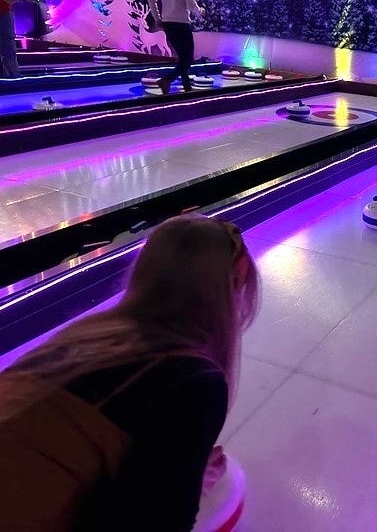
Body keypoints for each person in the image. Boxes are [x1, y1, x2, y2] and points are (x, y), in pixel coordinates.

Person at [0, 214, 260, 531]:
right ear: (230, 289)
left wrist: (174, 467)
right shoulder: (195, 381)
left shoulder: (85, 335)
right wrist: (182, 478)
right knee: (225, 483)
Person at [147, 0, 205, 95]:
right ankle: (167, 80)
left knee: (182, 57)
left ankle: (187, 87)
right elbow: (192, 6)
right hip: (182, 23)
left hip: (167, 23)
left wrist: (157, 18)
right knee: (188, 58)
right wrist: (201, 12)